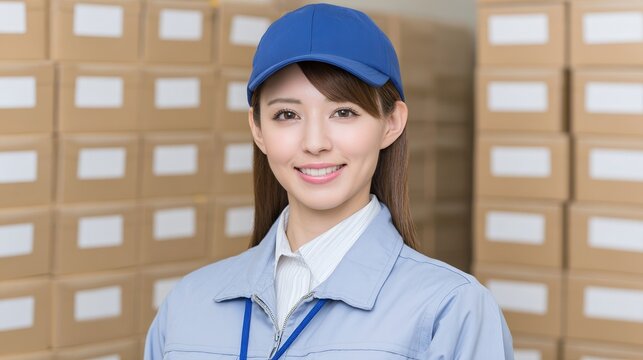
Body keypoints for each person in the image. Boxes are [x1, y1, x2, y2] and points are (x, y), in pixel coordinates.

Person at [144, 3, 513, 359]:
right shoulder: (186, 307)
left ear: (391, 124)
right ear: (257, 129)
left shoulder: (450, 311)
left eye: (343, 112)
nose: (315, 142)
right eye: (287, 114)